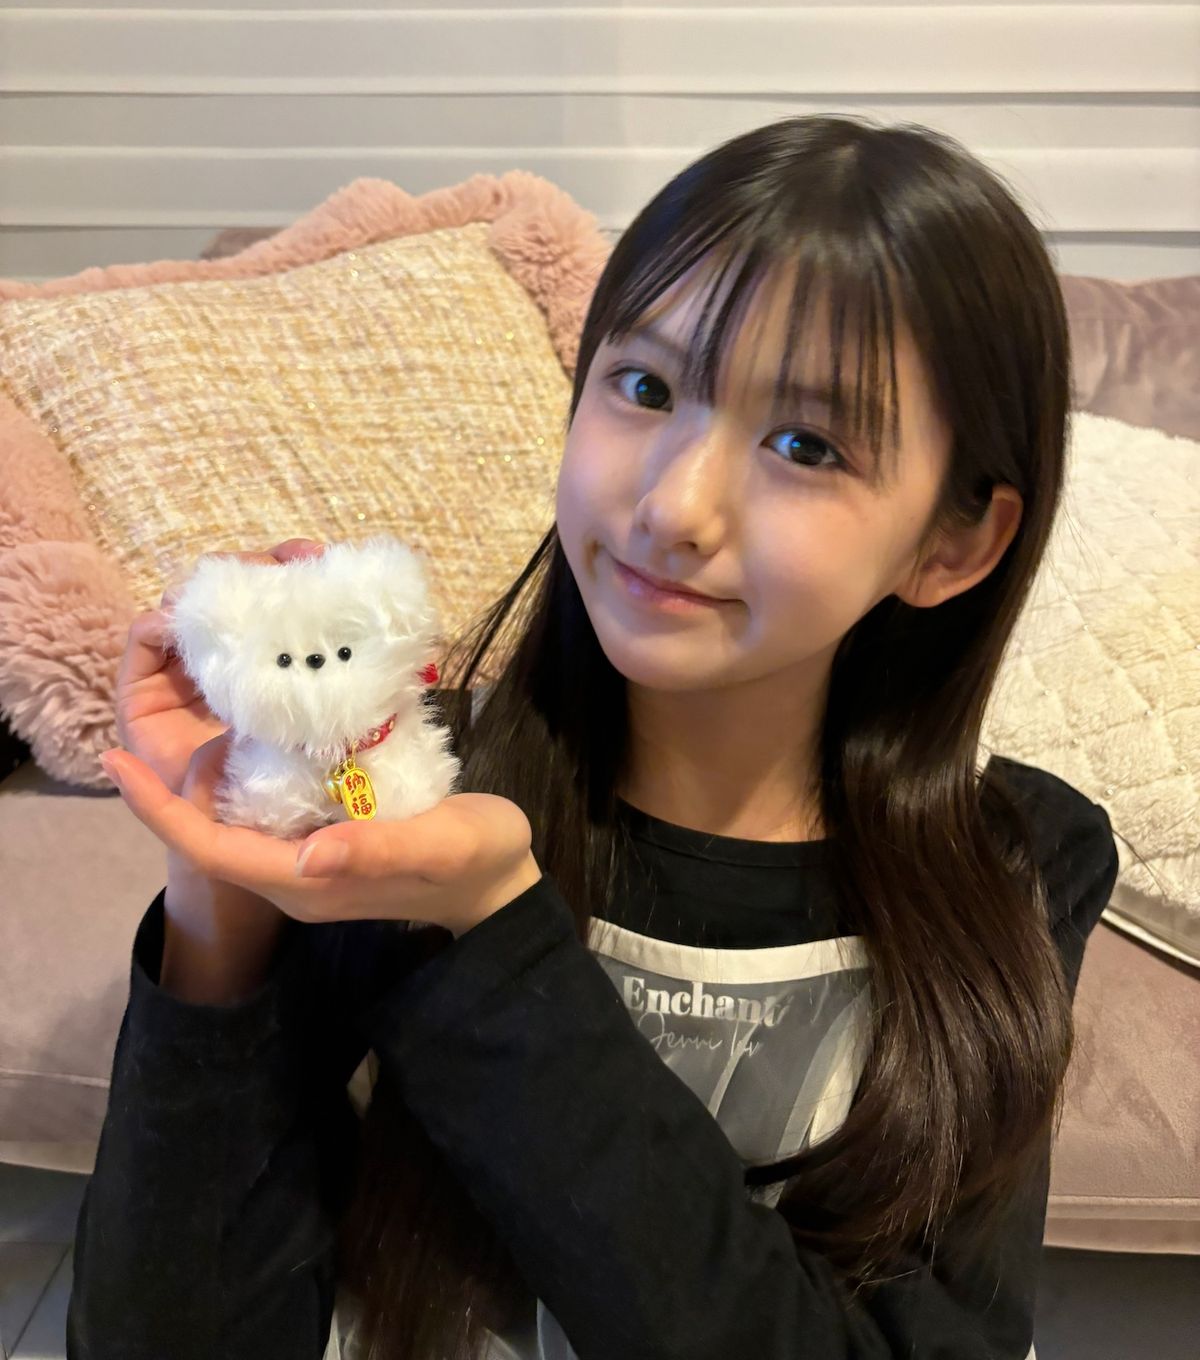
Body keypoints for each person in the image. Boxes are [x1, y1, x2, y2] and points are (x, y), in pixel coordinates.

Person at [67, 116, 1119, 1360]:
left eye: (805, 445)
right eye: (646, 387)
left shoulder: (1017, 857)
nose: (673, 505)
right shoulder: (394, 788)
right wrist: (226, 882)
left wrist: (493, 930)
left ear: (954, 543)